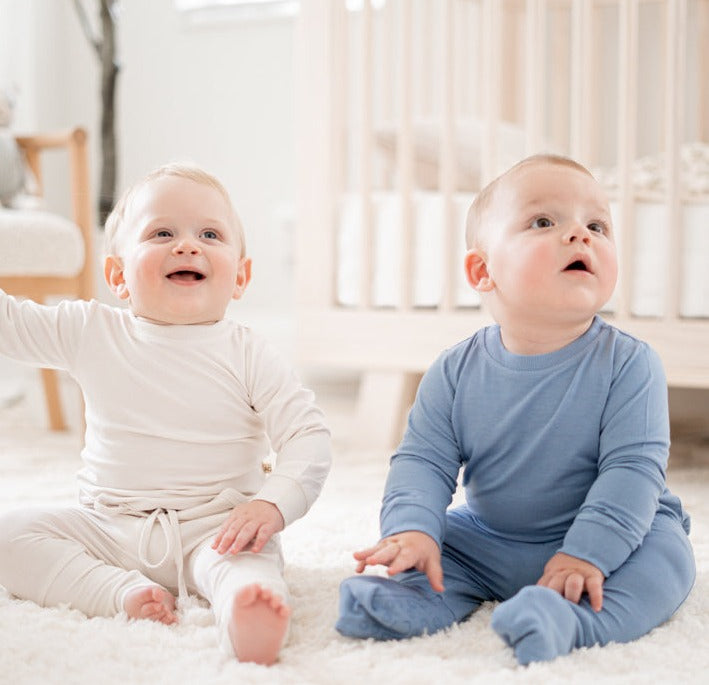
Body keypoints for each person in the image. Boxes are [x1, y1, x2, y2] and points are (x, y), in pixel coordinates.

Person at [335, 154, 695, 664]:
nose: (580, 234)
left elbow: (632, 472)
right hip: (492, 538)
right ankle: (411, 601)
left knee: (667, 559)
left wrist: (587, 553)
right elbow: (423, 461)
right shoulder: (453, 371)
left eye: (597, 226)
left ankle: (573, 620)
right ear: (483, 270)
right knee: (439, 544)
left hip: (616, 537)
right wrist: (411, 529)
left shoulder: (631, 364)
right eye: (544, 222)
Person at [0, 163, 331, 666]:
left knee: (247, 567)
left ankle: (248, 612)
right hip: (108, 526)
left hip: (219, 528)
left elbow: (307, 435)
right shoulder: (92, 331)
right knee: (9, 537)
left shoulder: (249, 353)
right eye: (162, 233)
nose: (187, 246)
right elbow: (11, 324)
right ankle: (117, 592)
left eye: (210, 235)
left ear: (240, 276)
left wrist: (271, 504)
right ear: (118, 276)